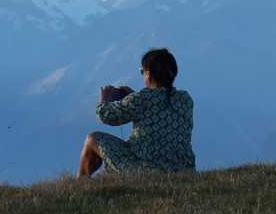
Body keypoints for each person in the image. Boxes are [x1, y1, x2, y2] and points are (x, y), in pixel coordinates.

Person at [79, 48, 196, 176]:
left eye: (142, 71)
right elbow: (159, 110)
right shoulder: (185, 99)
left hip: (147, 170)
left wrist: (104, 100)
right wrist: (133, 96)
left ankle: (80, 182)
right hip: (183, 169)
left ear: (148, 74)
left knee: (92, 139)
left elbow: (107, 116)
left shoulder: (142, 99)